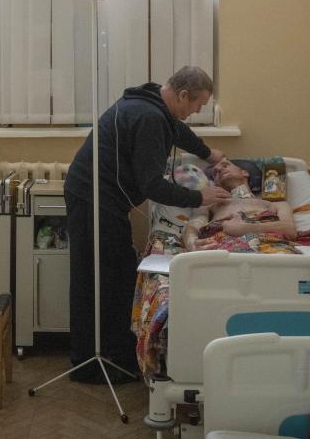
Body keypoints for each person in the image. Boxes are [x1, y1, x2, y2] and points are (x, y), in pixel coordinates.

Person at [64, 66, 231, 383]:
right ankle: (91, 363)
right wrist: (201, 197)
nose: (196, 112)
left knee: (117, 272)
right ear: (182, 95)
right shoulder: (150, 118)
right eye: (196, 105)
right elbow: (152, 185)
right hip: (93, 198)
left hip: (100, 196)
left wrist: (209, 154)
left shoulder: (154, 102)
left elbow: (178, 131)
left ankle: (113, 352)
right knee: (100, 277)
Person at [183, 158, 295, 251]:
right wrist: (192, 244)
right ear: (215, 183)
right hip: (223, 247)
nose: (220, 170)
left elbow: (289, 230)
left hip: (271, 246)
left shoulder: (275, 203)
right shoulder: (209, 204)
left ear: (244, 172)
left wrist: (246, 228)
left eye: (225, 165)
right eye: (215, 173)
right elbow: (192, 227)